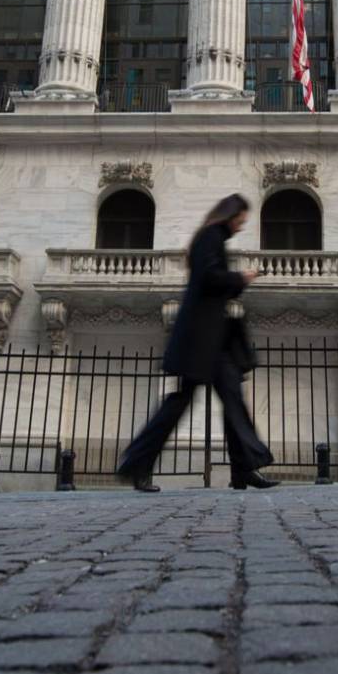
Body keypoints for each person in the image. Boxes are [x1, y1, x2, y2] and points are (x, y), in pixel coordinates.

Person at [115, 194, 277, 493]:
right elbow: (208, 278)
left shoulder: (214, 238)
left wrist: (237, 283)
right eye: (242, 218)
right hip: (201, 339)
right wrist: (241, 277)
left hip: (214, 338)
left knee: (232, 400)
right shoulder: (210, 236)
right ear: (231, 214)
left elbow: (213, 286)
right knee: (179, 404)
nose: (243, 225)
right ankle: (137, 464)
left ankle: (244, 470)